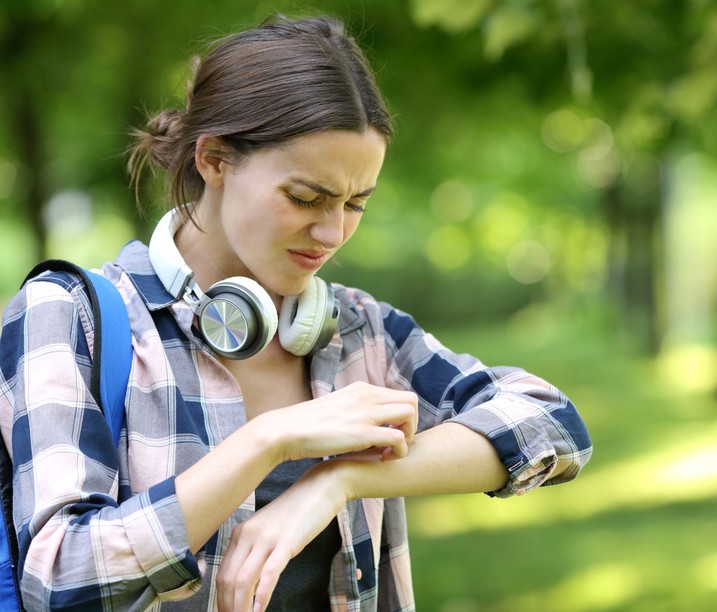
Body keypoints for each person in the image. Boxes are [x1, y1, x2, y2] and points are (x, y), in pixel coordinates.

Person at [0, 14, 592, 612]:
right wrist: (270, 439)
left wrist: (340, 479)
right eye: (305, 198)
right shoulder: (68, 316)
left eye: (356, 203)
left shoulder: (362, 332)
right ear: (213, 160)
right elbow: (57, 576)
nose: (332, 231)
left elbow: (554, 425)